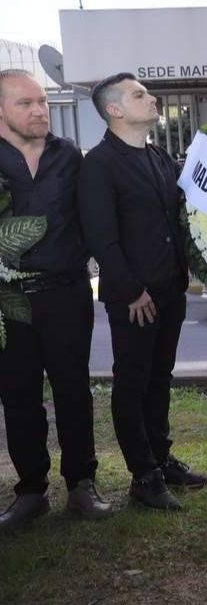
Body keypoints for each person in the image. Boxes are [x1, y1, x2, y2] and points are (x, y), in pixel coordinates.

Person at [78, 73, 205, 512]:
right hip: (134, 297)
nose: (151, 99)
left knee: (160, 377)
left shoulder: (157, 155)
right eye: (139, 95)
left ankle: (161, 456)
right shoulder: (99, 164)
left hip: (169, 289)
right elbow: (100, 236)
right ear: (114, 110)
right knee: (132, 383)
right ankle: (143, 475)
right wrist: (132, 291)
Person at [0, 70, 112, 529]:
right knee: (18, 395)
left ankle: (81, 485)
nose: (39, 110)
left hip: (66, 294)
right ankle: (30, 491)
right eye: (26, 103)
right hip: (8, 302)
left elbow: (94, 216)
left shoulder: (70, 157)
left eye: (42, 101)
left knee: (72, 390)